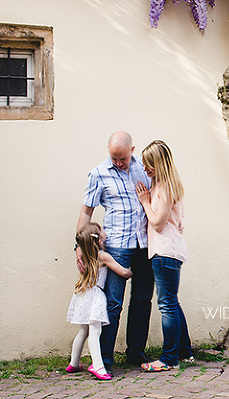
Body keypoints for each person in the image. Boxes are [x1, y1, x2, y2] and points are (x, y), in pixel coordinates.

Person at [77, 131, 154, 372]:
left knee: (142, 300)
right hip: (117, 247)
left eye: (123, 158)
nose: (118, 163)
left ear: (133, 150)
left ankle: (136, 353)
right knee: (112, 303)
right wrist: (80, 245)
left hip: (146, 244)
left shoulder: (145, 168)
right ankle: (104, 359)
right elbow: (86, 212)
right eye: (114, 158)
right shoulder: (98, 173)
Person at [135, 140, 194, 371]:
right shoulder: (164, 185)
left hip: (164, 251)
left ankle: (169, 359)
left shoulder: (164, 187)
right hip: (169, 250)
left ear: (159, 164)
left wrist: (145, 201)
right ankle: (185, 352)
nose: (145, 168)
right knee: (172, 302)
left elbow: (158, 223)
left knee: (167, 304)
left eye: (149, 165)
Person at [66, 223, 132, 380]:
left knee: (84, 331)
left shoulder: (86, 256)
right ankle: (98, 365)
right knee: (95, 331)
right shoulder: (103, 256)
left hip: (83, 294)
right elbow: (122, 272)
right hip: (95, 297)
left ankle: (74, 363)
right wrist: (132, 272)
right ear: (99, 238)